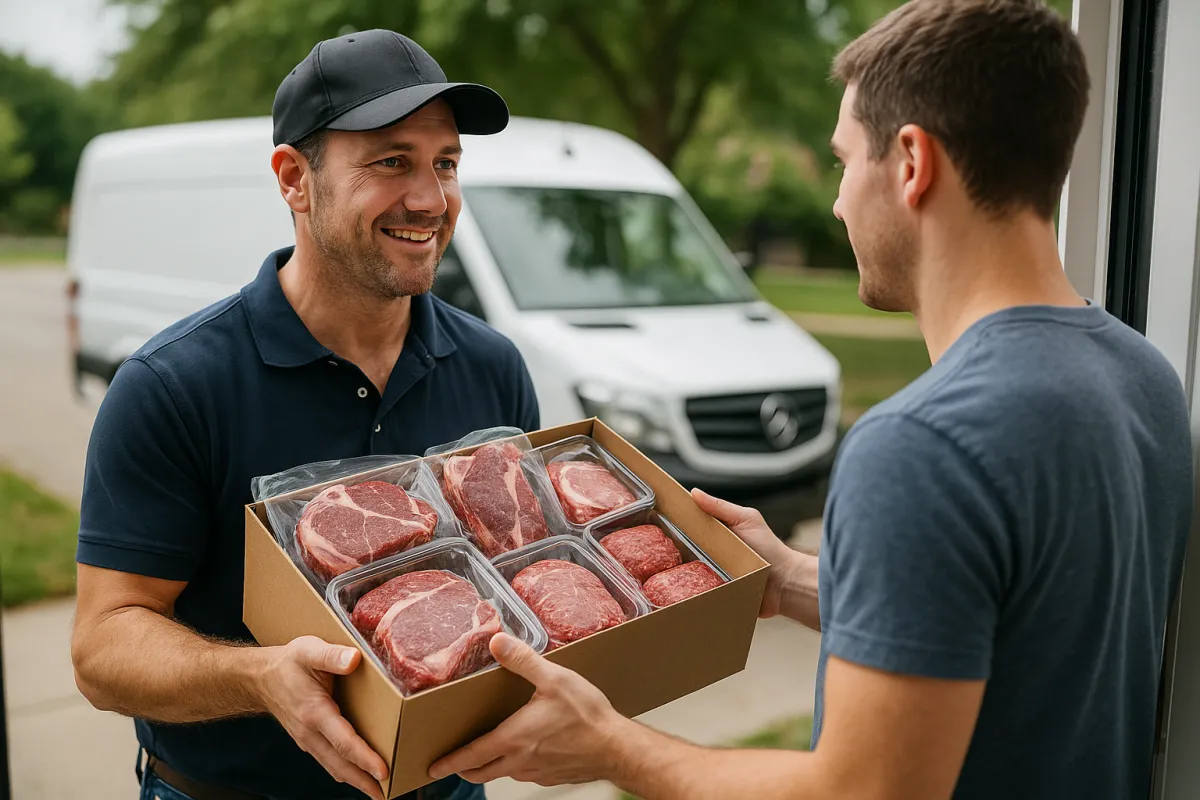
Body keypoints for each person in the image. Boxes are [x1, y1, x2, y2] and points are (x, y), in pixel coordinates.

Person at [428, 1, 1194, 798]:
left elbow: (857, 791)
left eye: (843, 162)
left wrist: (613, 748)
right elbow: (1028, 618)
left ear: (911, 163)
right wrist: (792, 580)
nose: (837, 202)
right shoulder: (1142, 376)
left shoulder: (921, 447)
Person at [70, 29, 531, 800]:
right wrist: (262, 678)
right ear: (294, 179)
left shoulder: (493, 366)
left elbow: (517, 576)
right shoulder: (173, 385)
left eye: (446, 163)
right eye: (392, 162)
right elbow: (103, 647)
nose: (431, 199)